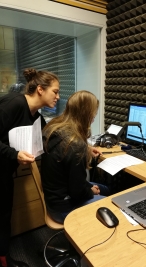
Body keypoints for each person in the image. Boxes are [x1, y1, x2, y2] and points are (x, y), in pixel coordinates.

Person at [0, 68, 60, 267]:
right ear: (41, 90)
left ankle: (4, 260)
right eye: (55, 92)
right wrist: (14, 154)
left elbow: (50, 138)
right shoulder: (14, 104)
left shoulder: (36, 116)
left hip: (4, 172)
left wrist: (86, 147)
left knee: (3, 218)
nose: (58, 97)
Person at [41, 90, 110, 224]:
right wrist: (90, 192)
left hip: (53, 198)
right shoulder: (75, 145)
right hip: (64, 207)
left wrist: (87, 149)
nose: (94, 118)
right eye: (93, 114)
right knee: (111, 205)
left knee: (106, 189)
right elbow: (77, 192)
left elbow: (67, 165)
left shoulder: (55, 128)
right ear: (85, 114)